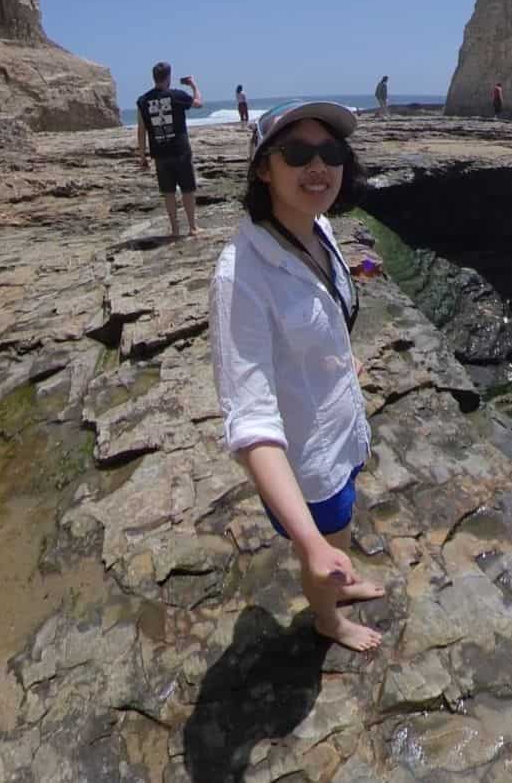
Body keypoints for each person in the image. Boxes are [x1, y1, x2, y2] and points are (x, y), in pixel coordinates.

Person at [209, 99, 384, 652]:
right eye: (298, 152)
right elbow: (250, 420)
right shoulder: (240, 274)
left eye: (330, 151)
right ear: (263, 168)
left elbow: (319, 313)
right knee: (327, 539)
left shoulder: (320, 229)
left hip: (343, 429)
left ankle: (336, 581)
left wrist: (339, 359)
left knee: (344, 522)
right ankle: (328, 618)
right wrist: (307, 542)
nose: (319, 166)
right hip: (305, 457)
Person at [136, 62, 203, 236]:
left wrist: (142, 156)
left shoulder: (143, 101)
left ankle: (175, 229)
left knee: (168, 193)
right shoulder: (177, 95)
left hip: (160, 154)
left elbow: (141, 130)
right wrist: (193, 85)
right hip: (180, 150)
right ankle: (192, 227)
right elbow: (198, 103)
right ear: (168, 77)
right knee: (187, 189)